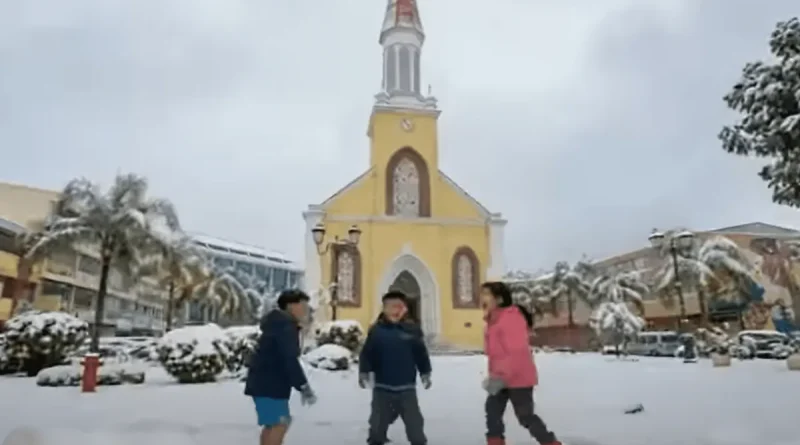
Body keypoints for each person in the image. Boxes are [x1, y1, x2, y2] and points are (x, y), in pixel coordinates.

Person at [481, 281, 561, 445]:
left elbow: (517, 351)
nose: (481, 298)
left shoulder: (511, 318)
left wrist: (503, 376)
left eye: (486, 294)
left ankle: (550, 443)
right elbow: (496, 352)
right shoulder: (493, 320)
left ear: (499, 299)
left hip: (518, 378)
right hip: (500, 377)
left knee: (525, 416)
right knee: (492, 413)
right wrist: (496, 376)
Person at [245, 289, 317, 445]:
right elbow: (289, 359)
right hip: (269, 384)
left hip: (266, 383)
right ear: (290, 306)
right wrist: (303, 386)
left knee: (274, 424)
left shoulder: (280, 323)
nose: (306, 309)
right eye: (303, 305)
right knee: (280, 424)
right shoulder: (285, 326)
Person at [359, 291, 432, 445]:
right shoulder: (377, 331)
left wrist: (425, 372)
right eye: (390, 307)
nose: (394, 311)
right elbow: (367, 353)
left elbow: (421, 354)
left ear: (405, 309)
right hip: (382, 388)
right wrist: (363, 371)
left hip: (407, 388)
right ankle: (376, 439)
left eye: (398, 307)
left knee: (415, 425)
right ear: (384, 309)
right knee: (378, 424)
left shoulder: (412, 330)